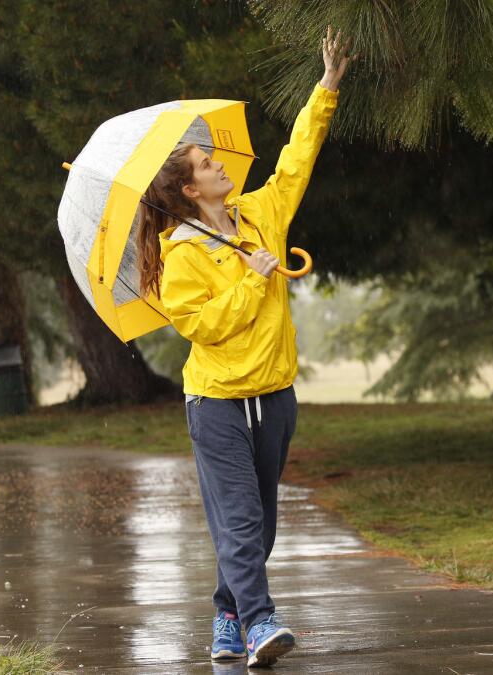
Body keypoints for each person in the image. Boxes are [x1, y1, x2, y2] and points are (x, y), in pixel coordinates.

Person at [134, 26, 354, 668]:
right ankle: (259, 624)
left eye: (211, 157)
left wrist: (327, 88)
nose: (219, 164)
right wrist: (253, 281)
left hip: (276, 396)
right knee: (240, 522)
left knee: (261, 525)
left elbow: (296, 159)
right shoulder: (180, 256)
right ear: (189, 192)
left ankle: (227, 613)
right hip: (219, 403)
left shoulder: (262, 216)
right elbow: (200, 327)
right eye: (206, 164)